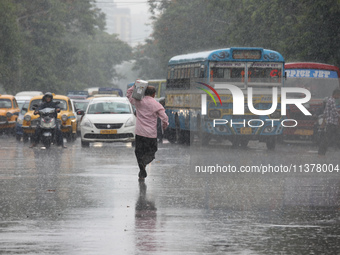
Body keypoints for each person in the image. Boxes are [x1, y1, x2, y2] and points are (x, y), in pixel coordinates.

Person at [127, 84, 169, 180]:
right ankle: (144, 164)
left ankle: (142, 168)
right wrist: (164, 126)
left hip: (139, 133)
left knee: (139, 152)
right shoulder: (157, 105)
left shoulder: (138, 101)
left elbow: (128, 94)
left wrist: (135, 86)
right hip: (151, 134)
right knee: (151, 152)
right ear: (154, 94)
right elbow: (164, 118)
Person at [318, 88, 340, 156]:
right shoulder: (332, 101)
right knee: (327, 139)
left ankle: (321, 153)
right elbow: (334, 112)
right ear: (336, 94)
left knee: (327, 138)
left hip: (330, 123)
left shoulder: (329, 100)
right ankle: (321, 153)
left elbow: (326, 112)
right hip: (332, 123)